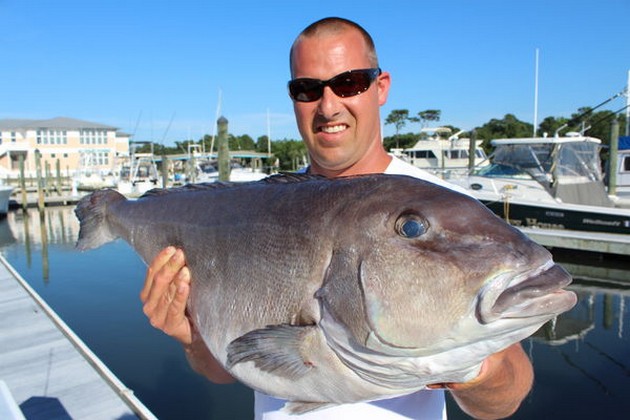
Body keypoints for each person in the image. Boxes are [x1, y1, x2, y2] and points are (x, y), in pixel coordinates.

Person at [140, 17, 534, 420]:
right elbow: (224, 370)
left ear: (380, 88)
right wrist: (189, 338)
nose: (328, 106)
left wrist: (470, 370)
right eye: (307, 89)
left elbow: (505, 400)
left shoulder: (446, 208)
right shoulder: (256, 206)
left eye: (349, 83)